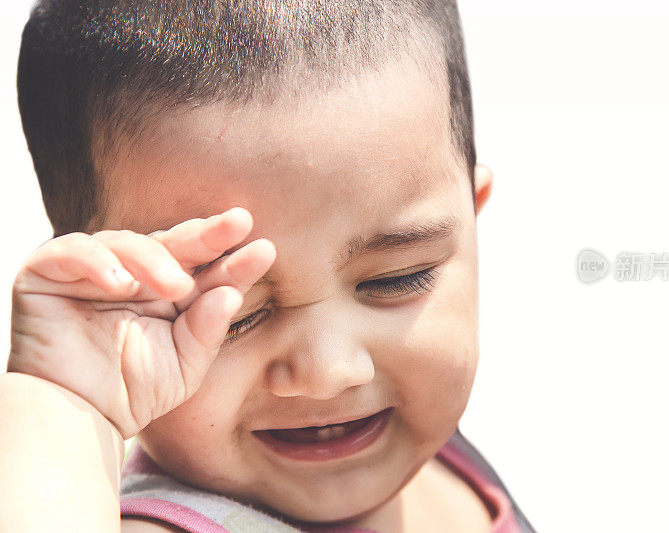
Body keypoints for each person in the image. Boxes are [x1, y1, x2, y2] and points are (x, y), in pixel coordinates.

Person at [2, 1, 534, 531]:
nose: (328, 374)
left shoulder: (436, 452)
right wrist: (62, 404)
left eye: (397, 278)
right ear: (101, 300)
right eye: (230, 314)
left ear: (472, 217)